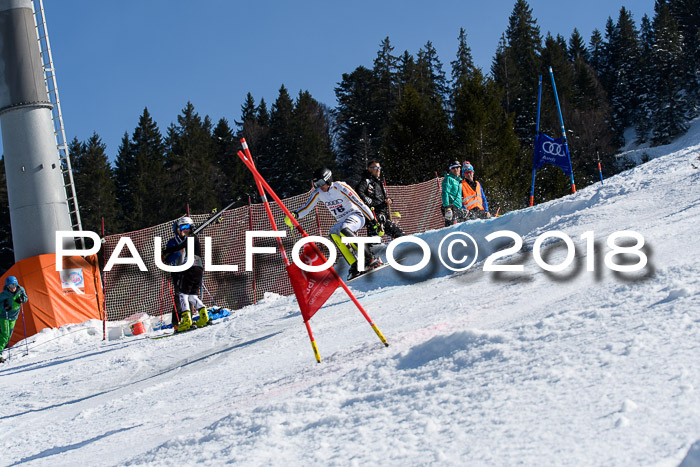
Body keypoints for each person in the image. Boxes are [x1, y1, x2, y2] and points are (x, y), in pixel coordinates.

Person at [285, 167, 382, 281]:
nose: (319, 186)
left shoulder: (340, 187)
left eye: (321, 182)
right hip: (341, 220)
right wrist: (295, 215)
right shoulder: (318, 193)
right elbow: (306, 207)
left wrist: (373, 220)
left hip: (356, 215)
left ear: (328, 180)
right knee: (333, 233)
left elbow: (360, 203)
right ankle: (354, 264)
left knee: (344, 229)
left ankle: (370, 258)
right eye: (316, 184)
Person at [161, 216, 210, 332]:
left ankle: (189, 320)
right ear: (177, 230)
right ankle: (177, 323)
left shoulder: (190, 238)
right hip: (179, 272)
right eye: (181, 228)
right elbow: (168, 258)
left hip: (190, 269)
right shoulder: (173, 242)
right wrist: (175, 253)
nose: (183, 230)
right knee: (181, 296)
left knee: (187, 295)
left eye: (186, 227)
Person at [355, 160, 405, 239]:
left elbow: (384, 197)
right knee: (376, 239)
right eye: (375, 168)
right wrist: (370, 202)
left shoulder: (379, 182)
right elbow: (358, 192)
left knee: (398, 234)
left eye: (379, 167)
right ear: (369, 169)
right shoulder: (366, 181)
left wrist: (389, 200)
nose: (378, 170)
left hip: (383, 214)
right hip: (373, 215)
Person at [0, 276, 28, 362]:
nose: (12, 288)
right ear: (7, 286)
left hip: (14, 316)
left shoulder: (21, 290)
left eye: (13, 285)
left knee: (8, 335)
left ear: (16, 284)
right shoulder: (4, 294)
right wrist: (4, 306)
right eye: (10, 286)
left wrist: (22, 299)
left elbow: (26, 298)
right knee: (5, 334)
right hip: (4, 316)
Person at [441, 160, 467, 227]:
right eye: (453, 168)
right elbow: (445, 193)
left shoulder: (459, 181)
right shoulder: (448, 179)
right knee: (452, 227)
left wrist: (461, 209)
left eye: (457, 167)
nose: (455, 170)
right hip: (451, 207)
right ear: (450, 169)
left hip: (457, 208)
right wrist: (447, 207)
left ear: (460, 168)